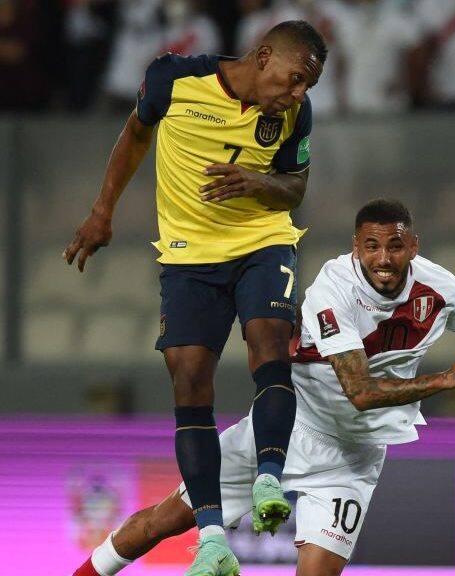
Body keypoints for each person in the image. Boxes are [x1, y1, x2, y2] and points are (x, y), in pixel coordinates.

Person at [71, 199, 455, 576]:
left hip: (355, 457)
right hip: (287, 430)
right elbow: (359, 392)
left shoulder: (440, 286)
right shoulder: (331, 290)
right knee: (163, 523)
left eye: (395, 245)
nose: (383, 258)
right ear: (355, 248)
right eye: (372, 246)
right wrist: (445, 379)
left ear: (413, 245)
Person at [64, 20, 327, 576]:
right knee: (188, 379)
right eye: (296, 78)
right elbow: (135, 135)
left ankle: (267, 481)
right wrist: (102, 212)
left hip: (263, 241)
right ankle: (211, 538)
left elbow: (296, 186)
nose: (299, 93)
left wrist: (257, 183)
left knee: (270, 343)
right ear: (263, 57)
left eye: (309, 85)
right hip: (188, 255)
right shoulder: (173, 79)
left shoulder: (292, 116)